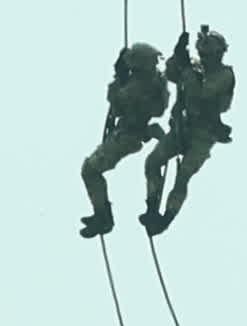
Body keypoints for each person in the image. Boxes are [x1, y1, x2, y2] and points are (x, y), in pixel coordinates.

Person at [140, 26, 234, 236]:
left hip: (204, 134)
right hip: (181, 128)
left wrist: (187, 71)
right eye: (203, 54)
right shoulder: (195, 68)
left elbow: (203, 93)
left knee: (183, 176)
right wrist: (178, 55)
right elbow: (171, 74)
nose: (206, 58)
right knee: (152, 162)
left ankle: (167, 218)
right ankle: (151, 208)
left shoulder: (225, 75)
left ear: (219, 54)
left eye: (210, 54)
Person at [75, 38, 172, 239]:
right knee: (93, 169)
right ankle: (106, 215)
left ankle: (103, 216)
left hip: (127, 135)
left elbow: (117, 103)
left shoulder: (139, 85)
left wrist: (118, 77)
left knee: (90, 170)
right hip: (133, 133)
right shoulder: (155, 83)